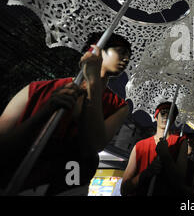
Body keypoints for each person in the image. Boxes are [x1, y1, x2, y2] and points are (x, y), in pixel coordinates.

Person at [0, 32, 132, 195]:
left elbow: (95, 145)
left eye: (128, 55)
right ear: (95, 51)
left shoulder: (118, 106)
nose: (126, 59)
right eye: (121, 51)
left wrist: (94, 85)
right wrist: (46, 111)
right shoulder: (38, 89)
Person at [120, 102, 191, 196]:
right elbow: (124, 189)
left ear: (174, 119)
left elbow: (180, 182)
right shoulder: (140, 146)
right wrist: (146, 173)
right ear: (155, 117)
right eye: (163, 113)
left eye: (171, 114)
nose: (166, 116)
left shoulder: (180, 142)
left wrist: (166, 155)